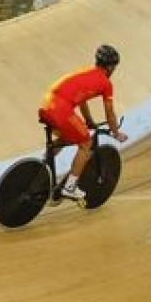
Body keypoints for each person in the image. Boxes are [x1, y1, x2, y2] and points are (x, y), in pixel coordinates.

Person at [38, 45, 130, 202]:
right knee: (86, 143)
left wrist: (88, 121)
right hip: (62, 110)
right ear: (110, 67)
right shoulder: (106, 83)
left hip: (46, 105)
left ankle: (43, 162)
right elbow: (109, 112)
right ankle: (70, 187)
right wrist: (116, 133)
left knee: (69, 136)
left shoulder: (86, 72)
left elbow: (82, 100)